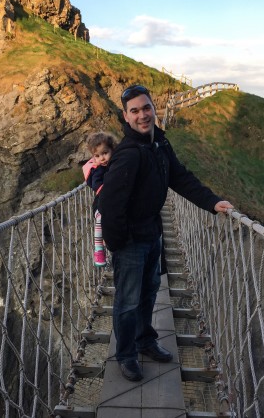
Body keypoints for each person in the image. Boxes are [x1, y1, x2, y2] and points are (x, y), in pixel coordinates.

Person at [98, 85, 233, 381]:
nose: (142, 115)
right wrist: (118, 244)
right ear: (126, 116)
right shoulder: (129, 155)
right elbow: (110, 203)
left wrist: (212, 202)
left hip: (152, 233)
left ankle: (145, 341)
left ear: (154, 109)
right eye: (135, 111)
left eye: (146, 108)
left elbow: (180, 178)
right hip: (131, 241)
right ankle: (126, 354)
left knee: (148, 294)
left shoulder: (159, 145)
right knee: (128, 300)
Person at [82, 131, 118, 267]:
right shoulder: (97, 170)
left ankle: (109, 245)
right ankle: (99, 251)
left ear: (112, 149)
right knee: (100, 219)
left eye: (104, 153)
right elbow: (96, 184)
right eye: (97, 156)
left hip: (115, 200)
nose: (101, 158)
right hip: (102, 201)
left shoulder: (119, 162)